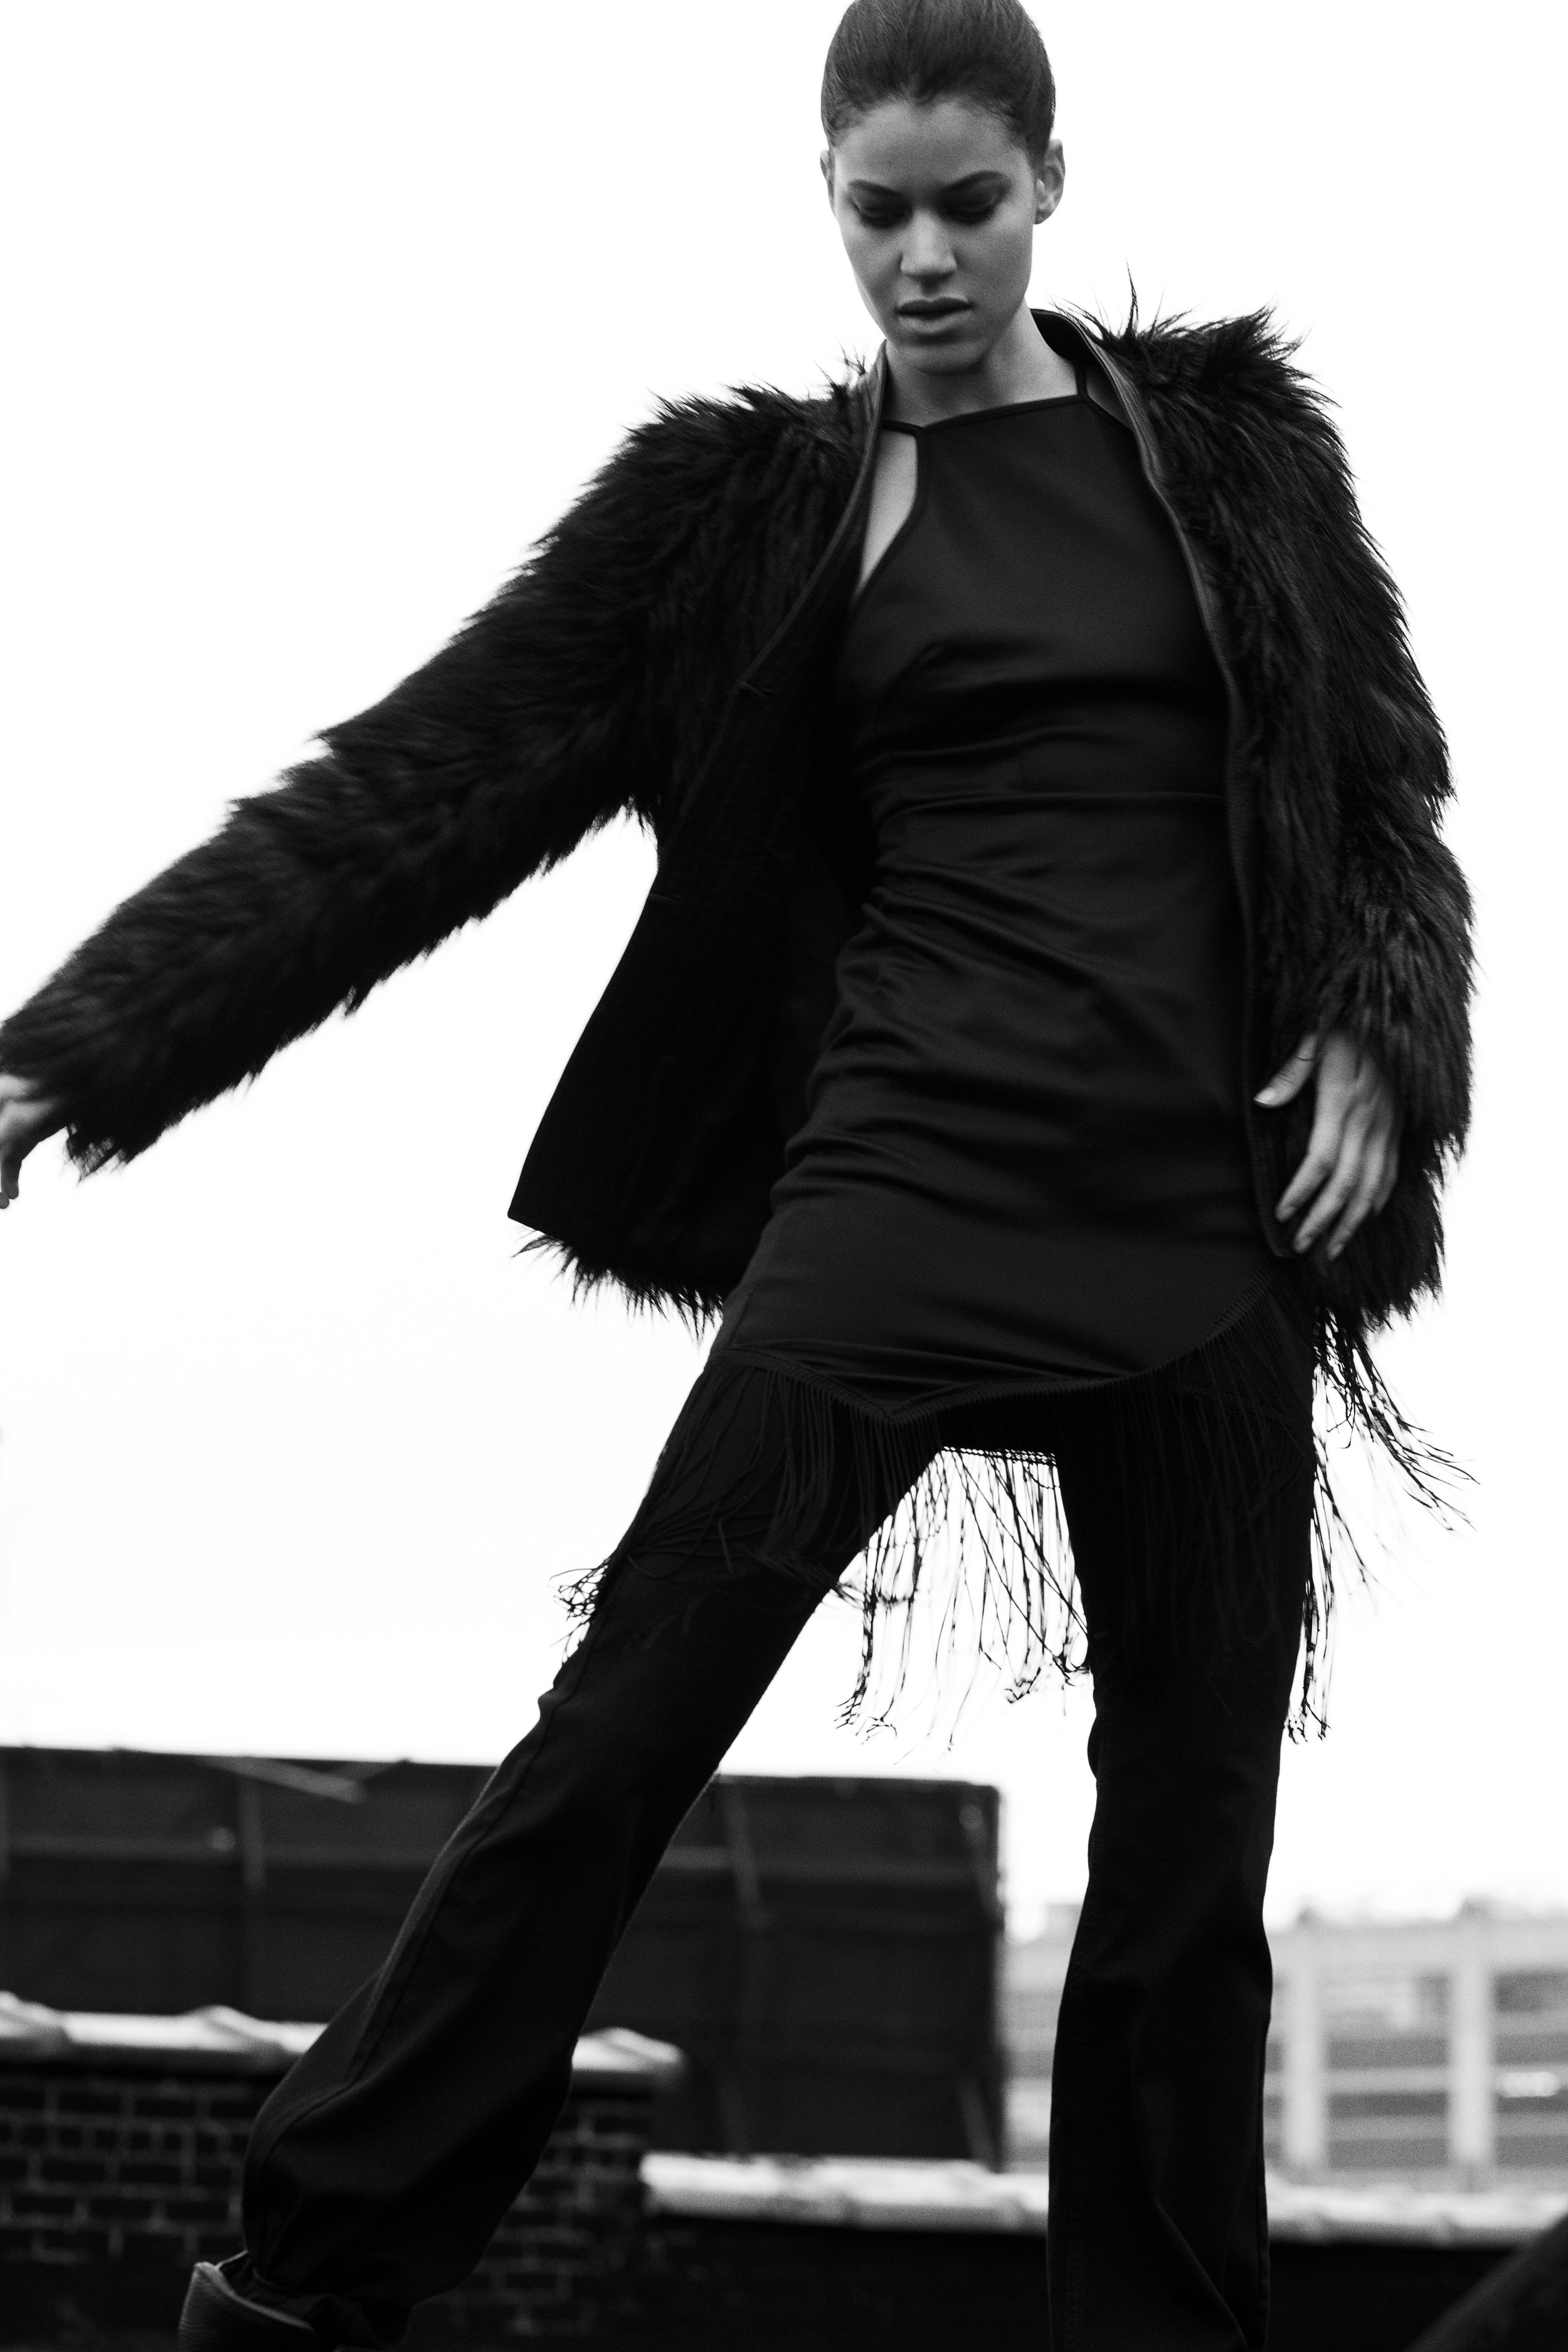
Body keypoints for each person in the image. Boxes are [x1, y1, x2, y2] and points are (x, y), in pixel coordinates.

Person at [0, 2, 1471, 2346]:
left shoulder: (1234, 456)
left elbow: (1383, 792)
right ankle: (300, 2293)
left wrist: (1387, 1033)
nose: (922, 257)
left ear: (1050, 184)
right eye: (876, 211)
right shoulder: (732, 517)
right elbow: (413, 795)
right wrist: (70, 1058)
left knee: (1188, 1867)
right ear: (824, 196)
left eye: (967, 206)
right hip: (896, 1195)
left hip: (1203, 1226)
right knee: (614, 1745)